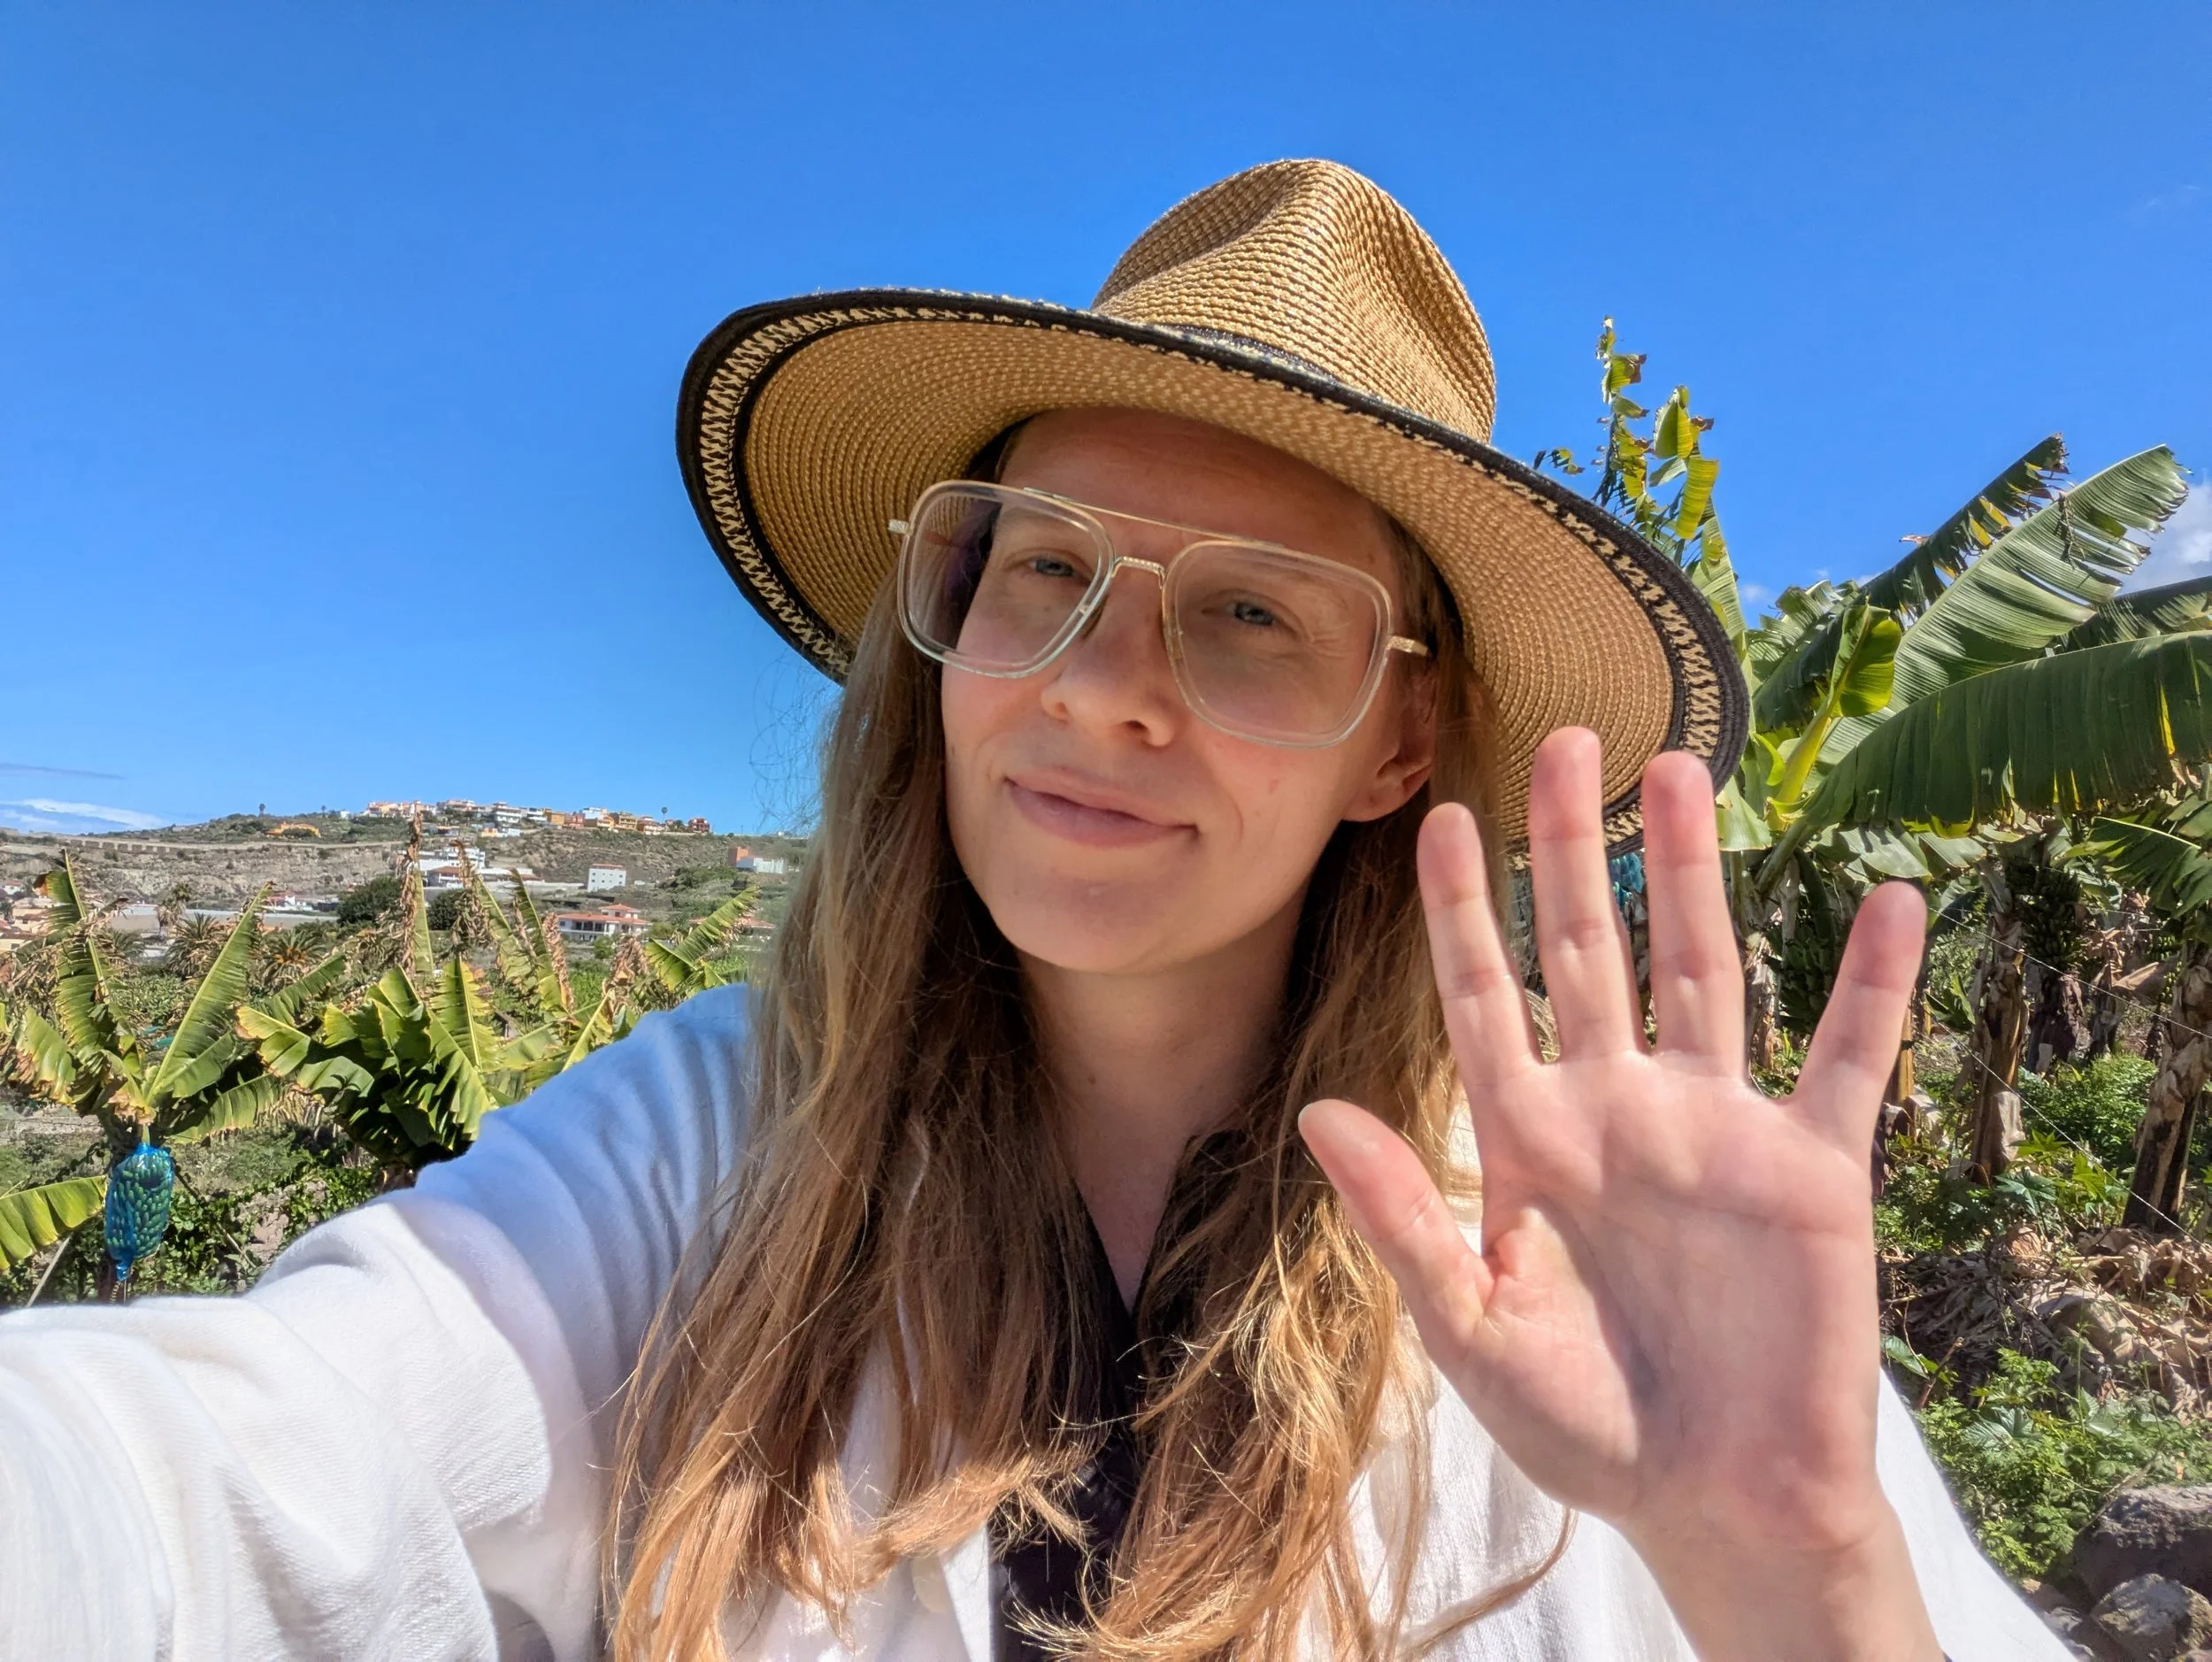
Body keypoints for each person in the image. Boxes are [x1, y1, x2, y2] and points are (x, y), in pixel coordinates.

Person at [0, 160, 2066, 1661]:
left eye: (1250, 616)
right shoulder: (716, 1152)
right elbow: (232, 1465)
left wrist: (1796, 1572)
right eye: (1036, 567)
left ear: (1391, 741)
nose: (1091, 682)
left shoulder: (1587, 1270)